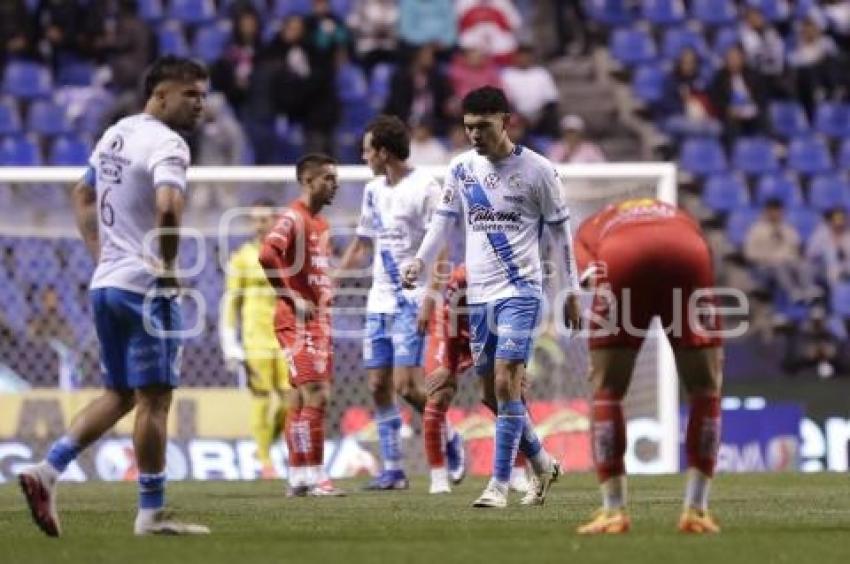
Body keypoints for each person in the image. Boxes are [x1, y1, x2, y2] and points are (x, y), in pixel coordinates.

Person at [18, 56, 210, 536]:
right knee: (155, 400)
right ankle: (149, 515)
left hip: (107, 284)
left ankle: (47, 471)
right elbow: (168, 208)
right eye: (191, 95)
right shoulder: (170, 144)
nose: (200, 105)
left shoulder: (117, 133)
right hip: (144, 289)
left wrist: (101, 253)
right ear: (160, 94)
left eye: (203, 96)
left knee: (121, 394)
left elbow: (82, 194)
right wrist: (166, 269)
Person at [403, 86, 581, 508]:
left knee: (506, 381)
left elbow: (561, 236)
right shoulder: (462, 169)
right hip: (477, 295)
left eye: (483, 127)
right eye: (468, 128)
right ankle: (541, 460)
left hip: (521, 290)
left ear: (505, 120)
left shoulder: (539, 171)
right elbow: (442, 222)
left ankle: (498, 485)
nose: (474, 136)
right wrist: (419, 262)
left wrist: (570, 292)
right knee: (490, 393)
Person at [572, 198, 723, 534]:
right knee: (706, 389)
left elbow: (586, 275)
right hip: (688, 253)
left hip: (622, 257)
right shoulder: (680, 215)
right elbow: (705, 252)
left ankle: (613, 511)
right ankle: (696, 509)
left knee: (607, 390)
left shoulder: (591, 226)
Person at [337, 115, 465, 491]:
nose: (363, 157)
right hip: (380, 299)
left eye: (367, 150)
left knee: (407, 387)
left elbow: (442, 247)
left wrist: (431, 297)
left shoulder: (426, 187)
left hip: (412, 299)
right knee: (378, 384)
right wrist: (332, 279)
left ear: (384, 152)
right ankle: (393, 469)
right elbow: (362, 243)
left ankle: (450, 435)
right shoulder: (373, 190)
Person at [258, 153, 343, 497]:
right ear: (308, 181)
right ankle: (317, 477)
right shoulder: (294, 216)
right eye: (328, 179)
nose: (334, 185)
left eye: (335, 179)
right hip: (297, 321)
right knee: (317, 395)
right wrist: (293, 297)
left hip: (318, 321)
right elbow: (267, 254)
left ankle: (298, 476)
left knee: (298, 398)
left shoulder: (320, 224)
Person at [220, 201, 291, 480]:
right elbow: (231, 301)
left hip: (285, 338)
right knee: (261, 398)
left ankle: (267, 443)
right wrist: (229, 340)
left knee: (291, 399)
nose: (260, 225)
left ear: (275, 221)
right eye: (255, 220)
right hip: (255, 339)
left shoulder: (288, 256)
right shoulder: (243, 258)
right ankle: (265, 462)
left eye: (265, 219)